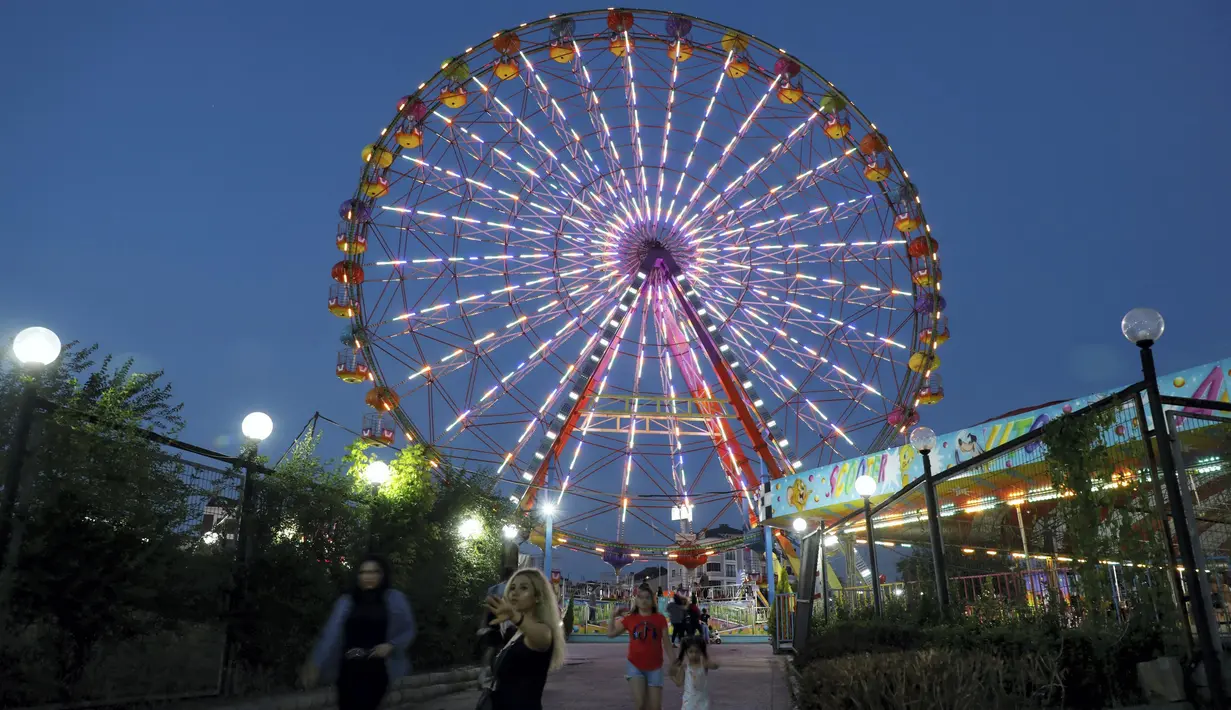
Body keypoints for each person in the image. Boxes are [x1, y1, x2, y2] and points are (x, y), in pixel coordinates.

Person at [303, 555, 416, 710]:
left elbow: (408, 630)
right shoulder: (347, 601)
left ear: (382, 575)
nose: (368, 576)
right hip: (349, 669)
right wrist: (316, 663)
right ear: (358, 575)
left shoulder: (394, 599)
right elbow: (331, 634)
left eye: (374, 572)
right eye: (364, 572)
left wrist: (391, 645)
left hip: (378, 669)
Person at [483, 568, 567, 710]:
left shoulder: (543, 630)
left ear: (538, 597)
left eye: (524, 588)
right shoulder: (513, 632)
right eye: (513, 588)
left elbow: (542, 639)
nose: (515, 592)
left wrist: (514, 616)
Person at [608, 584, 671, 710]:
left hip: (655, 667)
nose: (643, 600)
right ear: (636, 600)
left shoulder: (660, 619)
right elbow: (611, 634)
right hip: (635, 665)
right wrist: (612, 616)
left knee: (655, 707)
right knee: (641, 704)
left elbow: (667, 643)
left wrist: (674, 662)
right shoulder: (630, 619)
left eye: (647, 597)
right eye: (640, 597)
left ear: (652, 601)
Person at [478, 566, 517, 689]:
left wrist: (483, 624)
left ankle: (482, 676)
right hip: (506, 623)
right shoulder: (512, 590)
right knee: (504, 650)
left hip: (492, 620)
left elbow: (486, 608)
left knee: (490, 649)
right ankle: (500, 678)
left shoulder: (493, 589)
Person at [669, 636, 719, 710]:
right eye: (691, 652)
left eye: (697, 652)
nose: (694, 655)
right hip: (689, 703)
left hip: (702, 703)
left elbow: (714, 666)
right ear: (686, 652)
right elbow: (679, 683)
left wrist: (713, 662)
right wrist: (672, 676)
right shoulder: (685, 667)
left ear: (701, 652)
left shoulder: (704, 664)